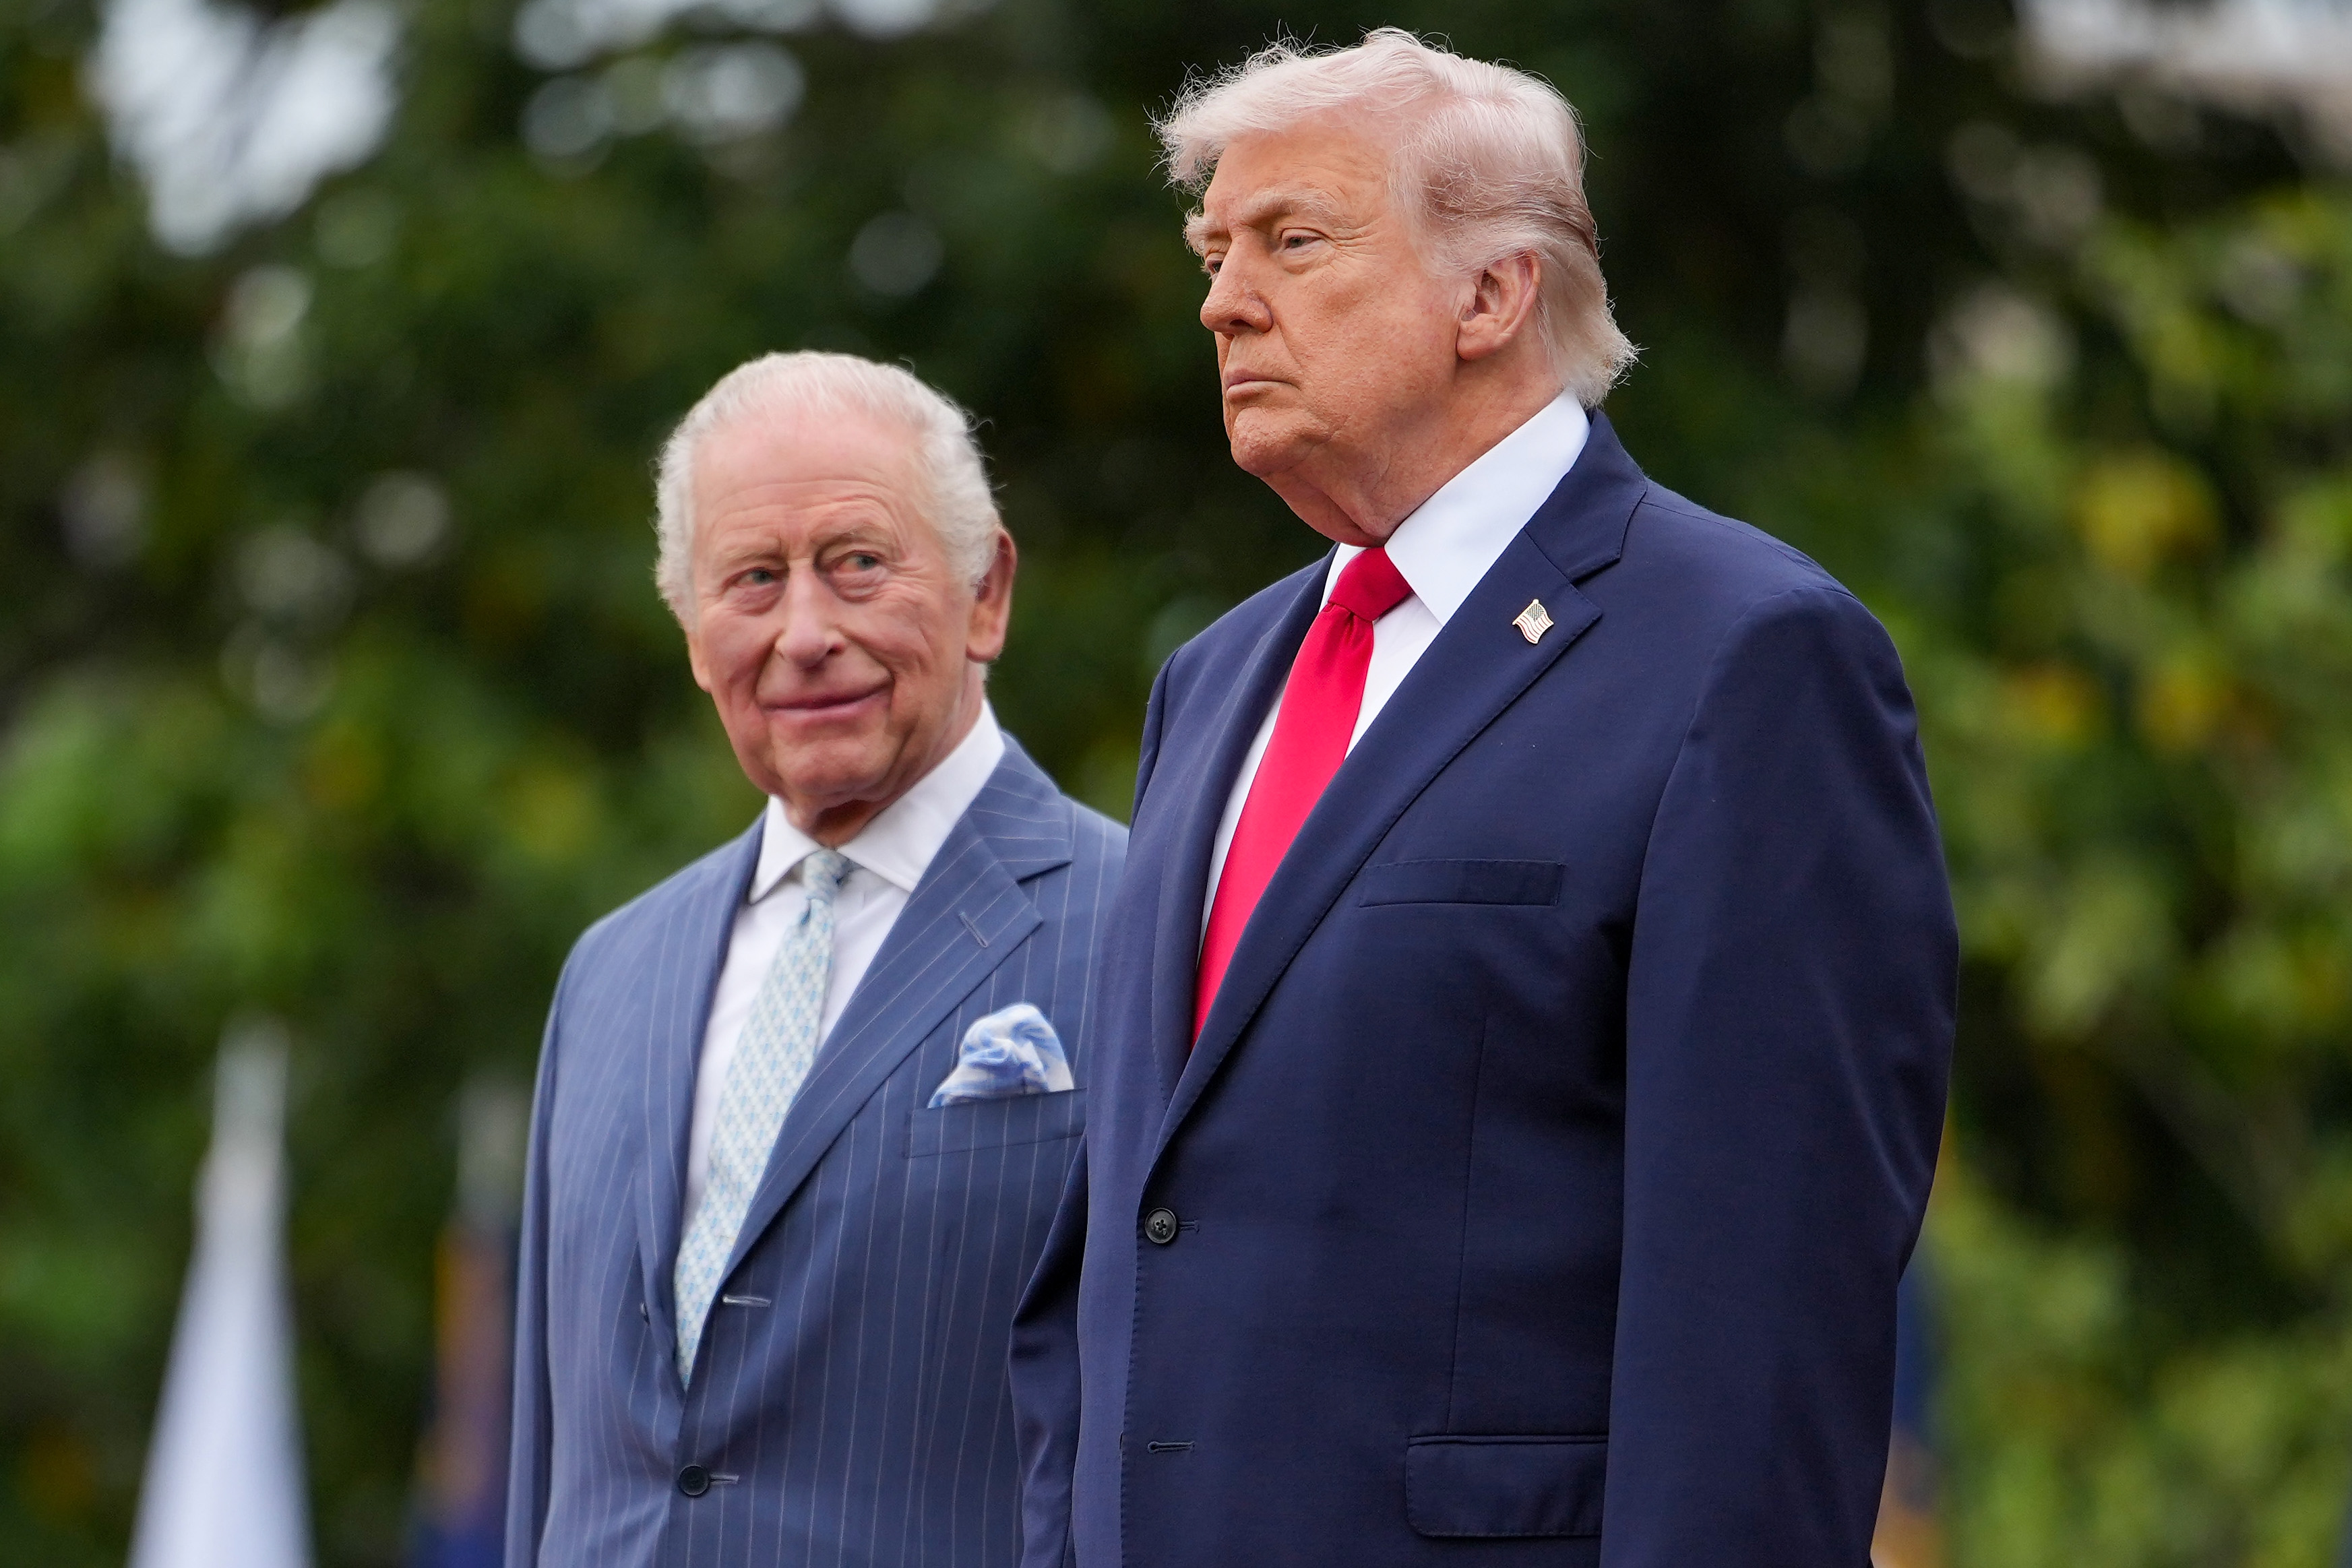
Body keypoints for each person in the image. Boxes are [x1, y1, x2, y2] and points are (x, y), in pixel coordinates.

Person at [1009, 32, 1954, 1568]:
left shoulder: (1746, 658)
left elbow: (1760, 1323)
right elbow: (1121, 1231)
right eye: (1212, 249)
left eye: (1290, 241)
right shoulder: (1212, 681)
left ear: (1491, 292)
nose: (1220, 299)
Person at [506, 352, 1126, 1567]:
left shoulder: (1152, 929)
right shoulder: (607, 975)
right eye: (749, 579)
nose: (802, 634)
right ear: (691, 631)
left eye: (855, 564)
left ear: (985, 592)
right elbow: (554, 1461)